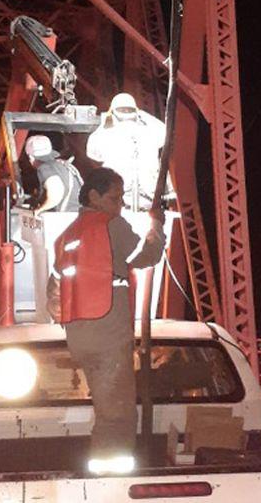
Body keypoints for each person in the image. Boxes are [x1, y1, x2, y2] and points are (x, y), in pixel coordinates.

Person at [46, 167, 165, 475]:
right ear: (94, 196)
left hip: (79, 336)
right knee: (118, 415)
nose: (120, 204)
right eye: (115, 197)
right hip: (108, 332)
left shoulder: (67, 236)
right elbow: (146, 255)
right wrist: (158, 227)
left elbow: (54, 292)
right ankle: (111, 483)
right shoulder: (111, 225)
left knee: (106, 407)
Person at [86, 93, 168, 211]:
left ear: (113, 111)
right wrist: (144, 115)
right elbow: (165, 133)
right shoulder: (149, 132)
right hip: (148, 198)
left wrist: (105, 122)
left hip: (119, 198)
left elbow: (92, 153)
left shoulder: (107, 134)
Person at [25, 135, 83, 216]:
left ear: (31, 157)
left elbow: (55, 194)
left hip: (62, 218)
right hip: (77, 215)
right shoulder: (62, 165)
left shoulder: (45, 168)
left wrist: (40, 210)